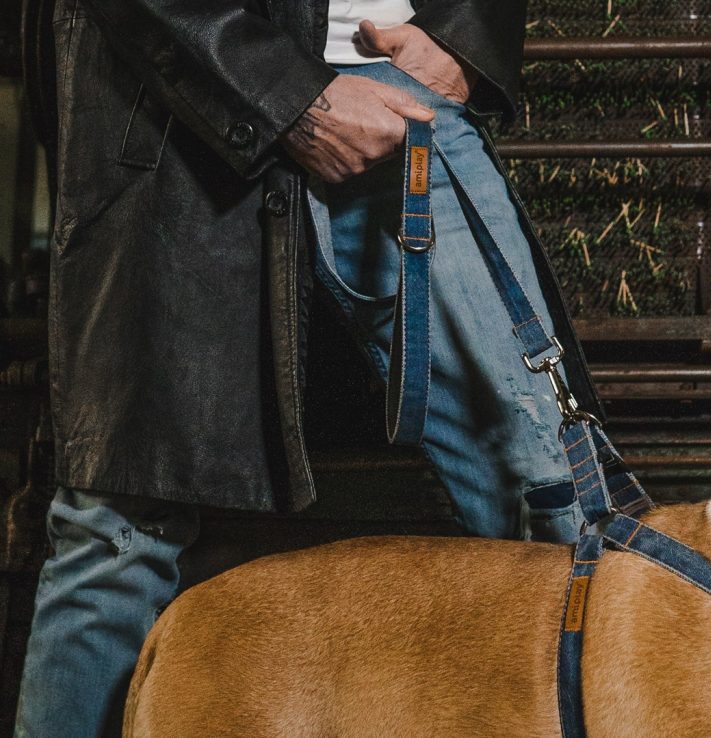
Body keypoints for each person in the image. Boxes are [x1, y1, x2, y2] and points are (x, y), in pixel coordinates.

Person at [16, 1, 601, 735]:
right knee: (122, 522)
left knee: (546, 481)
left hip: (402, 98)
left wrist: (464, 39)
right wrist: (286, 97)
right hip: (176, 100)